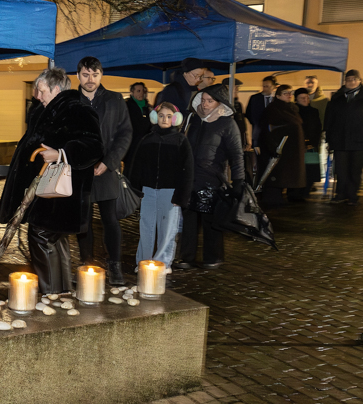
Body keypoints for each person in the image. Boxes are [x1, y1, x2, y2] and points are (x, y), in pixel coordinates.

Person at [0, 68, 103, 294]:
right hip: (48, 191)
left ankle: (51, 295)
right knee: (54, 240)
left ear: (56, 89)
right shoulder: (47, 110)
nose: (37, 95)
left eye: (41, 90)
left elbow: (94, 147)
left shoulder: (77, 109)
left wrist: (61, 154)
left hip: (61, 193)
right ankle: (61, 294)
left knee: (42, 236)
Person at [73, 57, 131, 285]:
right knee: (83, 221)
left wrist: (109, 162)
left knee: (110, 219)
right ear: (78, 75)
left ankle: (114, 266)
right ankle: (86, 264)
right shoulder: (70, 101)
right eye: (86, 75)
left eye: (95, 75)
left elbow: (125, 133)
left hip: (107, 168)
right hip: (81, 170)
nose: (90, 79)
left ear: (101, 75)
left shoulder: (115, 99)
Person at [174, 84, 244, 270]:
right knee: (189, 220)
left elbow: (236, 154)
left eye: (209, 101)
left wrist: (239, 180)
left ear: (219, 103)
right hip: (190, 178)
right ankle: (186, 257)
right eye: (203, 100)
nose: (204, 104)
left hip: (212, 179)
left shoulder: (227, 123)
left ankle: (213, 257)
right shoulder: (193, 120)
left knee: (211, 221)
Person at [128, 102, 193, 274]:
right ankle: (143, 261)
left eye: (169, 116)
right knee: (146, 227)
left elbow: (187, 171)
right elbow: (136, 167)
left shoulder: (181, 141)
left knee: (168, 229)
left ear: (175, 119)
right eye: (161, 115)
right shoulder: (147, 139)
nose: (165, 119)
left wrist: (181, 195)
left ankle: (163, 263)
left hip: (170, 192)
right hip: (148, 191)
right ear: (155, 117)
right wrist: (135, 191)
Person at [258, 84, 305, 206]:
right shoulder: (273, 109)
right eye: (285, 93)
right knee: (276, 173)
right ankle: (272, 198)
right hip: (279, 146)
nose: (289, 95)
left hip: (290, 149)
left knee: (286, 174)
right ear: (278, 96)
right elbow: (266, 129)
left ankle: (287, 196)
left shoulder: (292, 108)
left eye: (290, 93)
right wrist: (273, 146)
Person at [324, 70, 363, 205]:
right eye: (349, 79)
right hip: (340, 140)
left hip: (359, 141)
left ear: (359, 80)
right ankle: (340, 194)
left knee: (355, 170)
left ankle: (352, 196)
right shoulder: (337, 98)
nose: (351, 82)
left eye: (354, 79)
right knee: (340, 170)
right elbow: (329, 119)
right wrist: (329, 139)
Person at [294, 88, 323, 195]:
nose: (305, 100)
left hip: (312, 146)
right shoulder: (294, 112)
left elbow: (318, 128)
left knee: (310, 170)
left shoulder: (314, 111)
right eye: (302, 98)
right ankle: (296, 193)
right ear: (296, 99)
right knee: (298, 170)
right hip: (297, 146)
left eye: (306, 97)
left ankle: (306, 191)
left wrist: (313, 143)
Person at [123, 82, 151, 174]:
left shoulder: (148, 108)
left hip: (144, 145)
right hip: (131, 144)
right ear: (132, 92)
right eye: (138, 91)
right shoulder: (127, 106)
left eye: (143, 90)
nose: (141, 93)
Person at [246, 75, 278, 148]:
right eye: (264, 86)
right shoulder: (255, 98)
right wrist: (255, 123)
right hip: (258, 128)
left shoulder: (276, 99)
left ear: (273, 87)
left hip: (273, 129)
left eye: (267, 86)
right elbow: (248, 113)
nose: (265, 88)